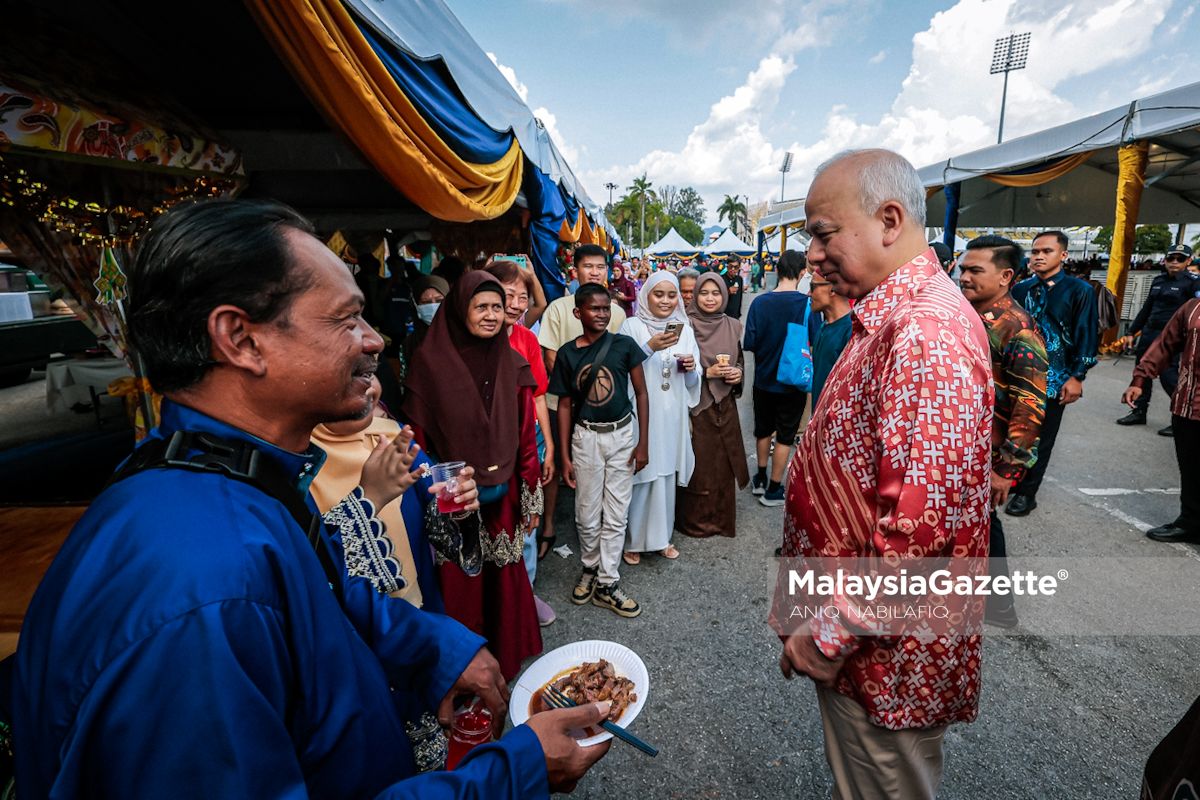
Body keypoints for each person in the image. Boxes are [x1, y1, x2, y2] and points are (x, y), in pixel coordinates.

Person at [8, 199, 610, 798]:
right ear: (240, 339)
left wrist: (436, 648)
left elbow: (320, 589)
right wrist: (516, 771)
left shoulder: (233, 478)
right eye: (346, 319)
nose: (374, 339)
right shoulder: (200, 588)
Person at [774, 149, 992, 799]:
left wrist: (833, 630)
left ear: (890, 220)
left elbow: (919, 535)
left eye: (822, 231)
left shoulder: (924, 332)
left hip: (882, 654)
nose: (811, 254)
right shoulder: (893, 316)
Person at [403, 272, 544, 681]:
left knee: (502, 580)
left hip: (503, 499)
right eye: (481, 307)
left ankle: (505, 659)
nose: (491, 315)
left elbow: (525, 439)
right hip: (452, 501)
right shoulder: (429, 365)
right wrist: (434, 494)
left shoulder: (513, 362)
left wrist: (529, 497)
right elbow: (418, 440)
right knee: (462, 585)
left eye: (497, 308)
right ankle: (464, 672)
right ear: (459, 309)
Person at [959, 235, 1048, 628]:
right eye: (962, 268)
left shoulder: (1018, 330)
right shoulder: (967, 315)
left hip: (987, 454)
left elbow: (1029, 407)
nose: (964, 277)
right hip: (961, 445)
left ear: (1006, 276)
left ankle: (999, 608)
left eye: (975, 271)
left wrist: (1007, 470)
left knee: (984, 527)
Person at [550, 283, 650, 618]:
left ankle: (608, 582)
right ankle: (590, 567)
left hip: (621, 436)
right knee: (587, 513)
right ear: (578, 313)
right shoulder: (567, 354)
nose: (602, 314)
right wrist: (564, 455)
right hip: (585, 439)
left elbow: (641, 394)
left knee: (617, 513)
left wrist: (643, 444)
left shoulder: (624, 346)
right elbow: (564, 406)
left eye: (606, 308)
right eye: (594, 309)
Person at [537, 244, 627, 559]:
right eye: (587, 266)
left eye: (600, 267)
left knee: (599, 466)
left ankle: (603, 530)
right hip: (560, 400)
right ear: (575, 271)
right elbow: (550, 355)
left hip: (600, 406)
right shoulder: (559, 308)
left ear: (608, 270)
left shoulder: (616, 311)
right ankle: (548, 525)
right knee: (557, 462)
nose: (594, 272)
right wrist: (576, 393)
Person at [485, 259, 557, 627]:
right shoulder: (477, 336)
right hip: (488, 446)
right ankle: (498, 597)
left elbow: (539, 395)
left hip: (528, 442)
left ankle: (526, 595)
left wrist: (549, 445)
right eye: (506, 295)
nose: (514, 304)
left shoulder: (527, 338)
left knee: (528, 520)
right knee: (492, 521)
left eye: (521, 297)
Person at [1006, 230, 1098, 517]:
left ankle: (1027, 493)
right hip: (1018, 377)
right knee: (1013, 432)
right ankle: (1009, 481)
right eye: (1035, 252)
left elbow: (1086, 334)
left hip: (1056, 380)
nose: (1039, 257)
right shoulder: (1021, 289)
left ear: (1063, 255)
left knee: (1042, 439)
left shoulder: (1079, 291)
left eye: (1046, 251)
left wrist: (1078, 376)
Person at [619, 272, 701, 563]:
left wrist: (692, 367)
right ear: (646, 296)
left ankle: (662, 537)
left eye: (671, 295)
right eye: (658, 294)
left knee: (665, 475)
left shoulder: (684, 329)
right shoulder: (631, 326)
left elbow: (694, 381)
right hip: (642, 414)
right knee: (642, 474)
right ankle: (633, 540)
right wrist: (649, 347)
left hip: (672, 415)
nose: (665, 301)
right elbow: (619, 368)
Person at [742, 249, 821, 507]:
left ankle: (761, 478)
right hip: (792, 381)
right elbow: (814, 340)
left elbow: (750, 342)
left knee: (763, 429)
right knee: (785, 435)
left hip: (763, 379)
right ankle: (774, 489)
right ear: (802, 273)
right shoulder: (807, 305)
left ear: (777, 270)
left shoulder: (759, 303)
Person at [677, 272, 749, 538]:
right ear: (696, 295)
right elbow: (676, 365)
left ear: (725, 295)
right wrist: (708, 373)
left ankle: (721, 519)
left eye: (716, 293)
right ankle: (694, 522)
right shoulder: (685, 325)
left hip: (725, 405)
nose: (710, 298)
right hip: (698, 405)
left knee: (723, 463)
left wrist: (738, 373)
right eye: (704, 293)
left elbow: (739, 360)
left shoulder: (732, 325)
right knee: (700, 464)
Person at [1122, 297, 1200, 543]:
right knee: (1191, 471)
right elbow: (1165, 344)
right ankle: (1190, 523)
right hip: (1188, 407)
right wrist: (1140, 379)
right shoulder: (1191, 308)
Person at [1115, 243, 1200, 435]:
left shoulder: (1193, 282)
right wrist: (1131, 331)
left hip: (1173, 338)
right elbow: (1146, 308)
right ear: (1165, 260)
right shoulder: (1158, 280)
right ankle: (1138, 411)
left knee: (1170, 377)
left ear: (1188, 261)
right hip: (1150, 333)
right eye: (1171, 258)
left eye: (1180, 259)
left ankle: (1179, 417)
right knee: (1142, 372)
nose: (1175, 262)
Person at [807, 274, 852, 409]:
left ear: (832, 289)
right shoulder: (824, 326)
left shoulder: (851, 332)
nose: (809, 293)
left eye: (813, 287)